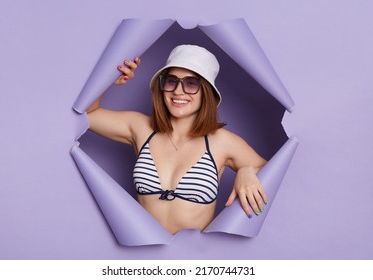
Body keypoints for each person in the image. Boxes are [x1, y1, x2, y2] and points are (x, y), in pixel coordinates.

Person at [87, 45, 268, 234]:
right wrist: (108, 80)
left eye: (191, 83)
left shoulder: (223, 142)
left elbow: (274, 172)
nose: (178, 92)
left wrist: (247, 170)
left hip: (196, 258)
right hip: (142, 253)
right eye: (171, 81)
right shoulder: (140, 127)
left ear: (206, 92)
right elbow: (88, 115)